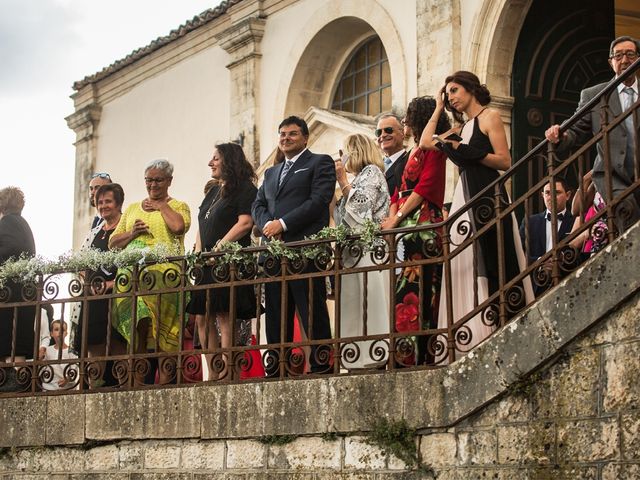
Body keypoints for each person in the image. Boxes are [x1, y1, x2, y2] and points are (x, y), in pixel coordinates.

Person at [420, 71, 533, 361]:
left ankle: (498, 322)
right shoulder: (461, 126)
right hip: (463, 198)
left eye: (455, 90)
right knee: (464, 263)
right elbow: (424, 143)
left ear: (471, 88)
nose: (452, 98)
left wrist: (466, 151)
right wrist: (436, 108)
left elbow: (505, 161)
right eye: (448, 94)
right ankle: (470, 333)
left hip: (487, 196)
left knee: (492, 257)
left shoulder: (489, 117)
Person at [252, 115, 336, 375]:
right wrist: (269, 225)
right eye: (282, 135)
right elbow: (258, 205)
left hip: (304, 249)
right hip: (274, 253)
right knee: (276, 313)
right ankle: (277, 366)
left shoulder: (319, 163)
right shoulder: (271, 172)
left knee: (311, 308)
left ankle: (321, 364)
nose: (285, 139)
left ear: (305, 137)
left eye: (292, 134)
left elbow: (318, 200)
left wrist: (284, 224)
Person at [545, 36, 640, 235]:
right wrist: (560, 135)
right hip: (612, 175)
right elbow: (576, 129)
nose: (624, 60)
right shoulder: (595, 95)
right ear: (610, 62)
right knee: (627, 211)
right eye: (618, 55)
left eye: (630, 55)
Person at [380, 97, 449, 365]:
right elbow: (399, 188)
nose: (405, 121)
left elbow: (426, 187)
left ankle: (421, 356)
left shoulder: (434, 146)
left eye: (409, 116)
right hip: (405, 224)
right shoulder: (413, 152)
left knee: (422, 291)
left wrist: (396, 218)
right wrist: (391, 218)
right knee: (404, 291)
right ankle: (402, 355)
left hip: (422, 223)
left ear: (420, 117)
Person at [110, 159, 190, 384]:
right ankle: (135, 384)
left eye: (158, 180)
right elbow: (113, 243)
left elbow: (178, 227)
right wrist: (132, 234)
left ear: (169, 181)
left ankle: (164, 384)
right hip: (134, 278)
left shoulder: (179, 205)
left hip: (165, 278)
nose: (152, 185)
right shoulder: (134, 208)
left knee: (166, 333)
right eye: (148, 180)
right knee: (137, 329)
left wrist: (161, 205)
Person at [186, 143, 258, 380]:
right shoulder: (213, 191)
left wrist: (220, 246)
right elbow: (202, 224)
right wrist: (199, 252)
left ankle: (228, 373)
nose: (210, 163)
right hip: (205, 263)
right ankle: (213, 373)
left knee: (226, 317)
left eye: (215, 158)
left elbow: (245, 223)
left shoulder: (246, 189)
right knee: (202, 319)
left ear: (229, 160)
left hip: (228, 262)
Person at [335, 134, 389, 369]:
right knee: (353, 303)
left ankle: (374, 356)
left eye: (345, 152)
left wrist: (342, 180)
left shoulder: (372, 173)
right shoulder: (358, 177)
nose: (342, 158)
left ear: (355, 151)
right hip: (352, 251)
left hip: (369, 249)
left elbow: (361, 205)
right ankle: (354, 357)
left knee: (369, 301)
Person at [70, 183, 127, 386]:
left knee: (117, 344)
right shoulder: (95, 231)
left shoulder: (124, 227)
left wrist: (111, 284)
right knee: (94, 343)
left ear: (118, 203)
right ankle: (94, 386)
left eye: (108, 201)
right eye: (100, 202)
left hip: (115, 294)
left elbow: (129, 262)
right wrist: (87, 279)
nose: (103, 206)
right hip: (93, 295)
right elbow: (82, 261)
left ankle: (125, 386)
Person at [519, 179, 576, 296]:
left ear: (568, 195)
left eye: (557, 193)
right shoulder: (530, 222)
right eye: (547, 193)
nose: (551, 197)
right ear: (542, 195)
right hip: (535, 287)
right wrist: (540, 261)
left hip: (568, 284)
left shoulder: (576, 222)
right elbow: (519, 254)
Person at [0, 187, 36, 366]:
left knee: (7, 342)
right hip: (24, 291)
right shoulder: (23, 224)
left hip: (9, 293)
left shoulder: (6, 224)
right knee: (17, 344)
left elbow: (8, 251)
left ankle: (13, 381)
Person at [375, 114, 409, 196]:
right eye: (379, 132)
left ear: (402, 133)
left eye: (388, 130)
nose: (382, 135)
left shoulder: (410, 160)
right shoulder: (374, 166)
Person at [40, 320, 78, 391]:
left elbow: (74, 369)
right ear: (51, 333)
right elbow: (41, 369)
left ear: (66, 333)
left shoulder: (71, 351)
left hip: (68, 389)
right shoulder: (47, 351)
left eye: (63, 330)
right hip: (48, 388)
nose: (60, 332)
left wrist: (67, 379)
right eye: (56, 330)